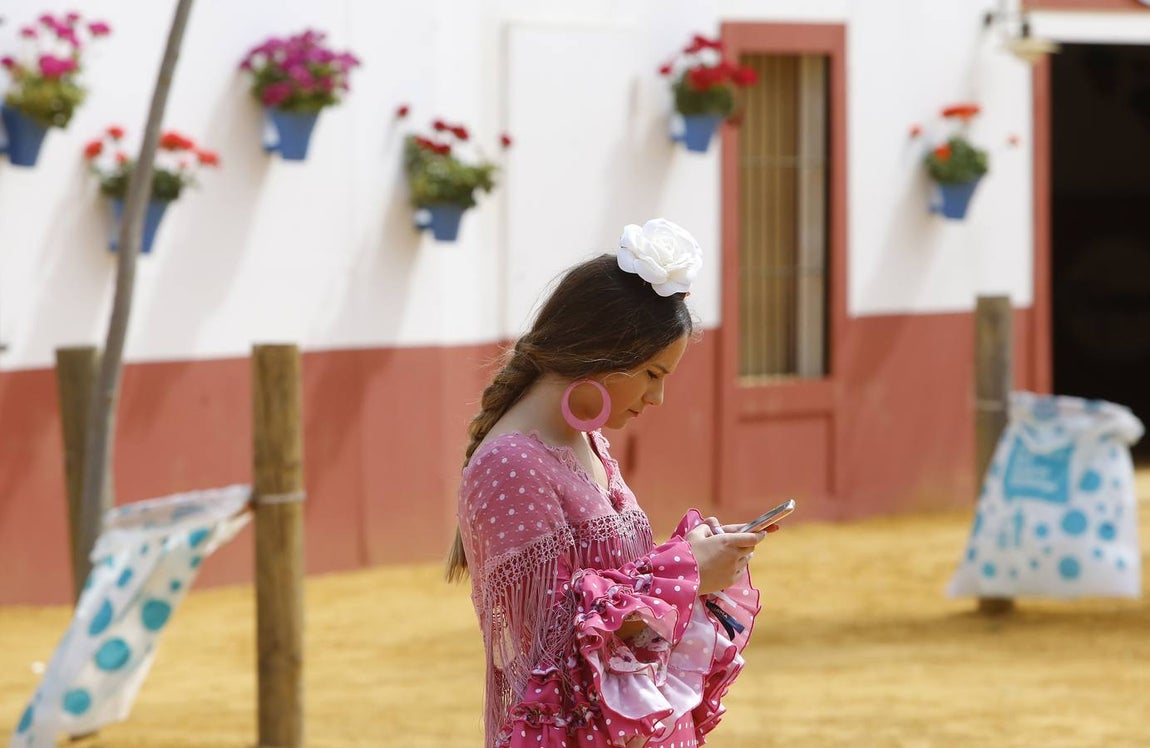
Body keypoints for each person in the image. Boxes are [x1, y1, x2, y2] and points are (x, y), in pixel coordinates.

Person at [447, 218, 775, 748]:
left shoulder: (587, 441)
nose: (657, 399)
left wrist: (693, 558)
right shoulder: (510, 466)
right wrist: (683, 575)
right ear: (600, 353)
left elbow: (609, 588)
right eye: (652, 375)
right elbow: (548, 658)